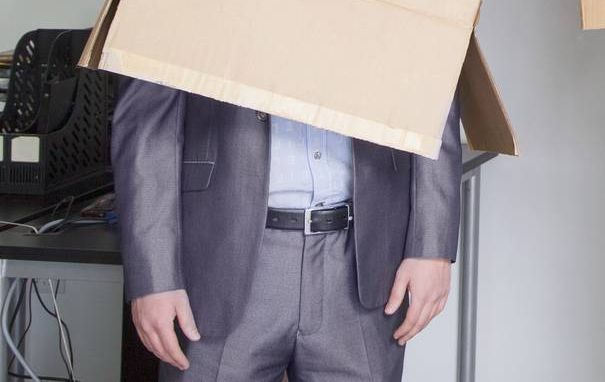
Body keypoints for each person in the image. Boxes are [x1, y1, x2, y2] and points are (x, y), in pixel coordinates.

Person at [112, 80, 462, 382]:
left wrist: (432, 243)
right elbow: (147, 125)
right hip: (220, 263)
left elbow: (434, 86)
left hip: (361, 265)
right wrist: (154, 277)